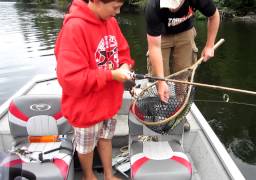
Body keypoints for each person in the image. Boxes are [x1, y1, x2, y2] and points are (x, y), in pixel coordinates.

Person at [54, 0, 134, 180]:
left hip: (109, 102)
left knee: (106, 138)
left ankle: (108, 174)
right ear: (97, 2)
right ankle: (88, 176)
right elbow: (70, 79)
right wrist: (112, 75)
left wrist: (124, 65)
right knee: (86, 148)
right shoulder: (74, 28)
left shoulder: (111, 22)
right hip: (86, 108)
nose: (118, 12)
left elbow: (123, 52)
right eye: (115, 7)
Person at [145, 0, 220, 103]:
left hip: (185, 32)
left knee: (183, 74)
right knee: (160, 76)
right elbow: (154, 47)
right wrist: (161, 81)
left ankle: (180, 101)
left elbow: (214, 16)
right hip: (161, 35)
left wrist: (209, 45)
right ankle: (162, 101)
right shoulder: (153, 6)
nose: (171, 8)